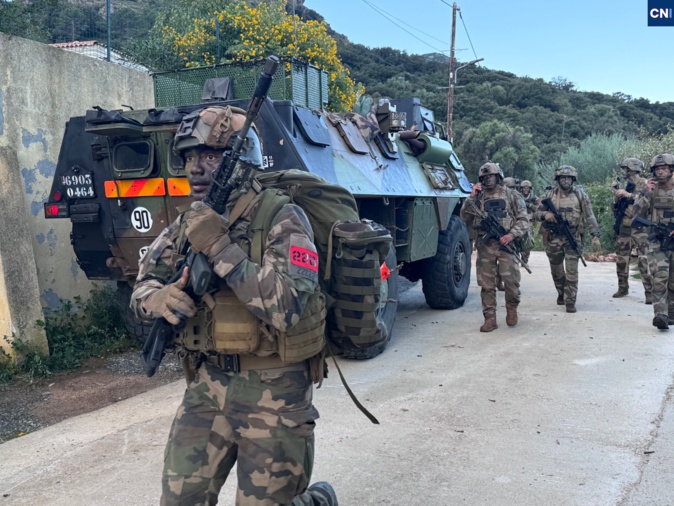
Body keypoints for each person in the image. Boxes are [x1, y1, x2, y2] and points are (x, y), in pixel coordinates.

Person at [130, 105, 337, 506]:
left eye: (209, 156)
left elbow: (286, 307)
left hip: (274, 389)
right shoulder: (190, 221)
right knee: (179, 500)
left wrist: (219, 247)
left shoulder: (282, 216)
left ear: (242, 160)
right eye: (189, 157)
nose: (195, 169)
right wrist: (155, 299)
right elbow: (145, 280)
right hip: (208, 384)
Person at [461, 162, 529, 332]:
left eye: (490, 176)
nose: (487, 180)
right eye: (484, 178)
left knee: (511, 282)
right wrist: (471, 197)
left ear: (498, 177)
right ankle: (490, 318)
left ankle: (512, 309)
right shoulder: (477, 198)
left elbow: (523, 220)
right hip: (486, 247)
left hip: (507, 245)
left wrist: (511, 235)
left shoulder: (511, 195)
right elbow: (464, 217)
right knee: (486, 284)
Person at [535, 165, 601, 313]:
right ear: (558, 179)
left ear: (573, 179)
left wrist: (595, 235)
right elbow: (535, 214)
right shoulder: (549, 195)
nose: (566, 180)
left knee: (572, 270)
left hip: (573, 236)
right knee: (556, 269)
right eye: (563, 177)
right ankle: (561, 292)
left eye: (569, 178)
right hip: (553, 238)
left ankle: (570, 300)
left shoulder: (580, 195)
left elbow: (590, 216)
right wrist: (545, 215)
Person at [632, 153, 674, 330]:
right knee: (660, 276)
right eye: (657, 169)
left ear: (671, 169)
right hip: (657, 240)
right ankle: (660, 314)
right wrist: (647, 195)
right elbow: (636, 215)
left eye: (664, 168)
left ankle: (671, 313)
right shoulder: (648, 189)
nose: (661, 172)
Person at [611, 158, 652, 302]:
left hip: (640, 226)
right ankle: (623, 288)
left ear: (634, 169)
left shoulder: (646, 184)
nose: (625, 172)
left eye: (627, 169)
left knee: (644, 259)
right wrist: (616, 194)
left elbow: (649, 200)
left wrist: (630, 195)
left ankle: (650, 292)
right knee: (622, 258)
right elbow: (616, 207)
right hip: (624, 225)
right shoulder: (625, 185)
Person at [518, 180, 538, 266]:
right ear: (521, 189)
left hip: (529, 223)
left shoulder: (534, 198)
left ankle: (524, 261)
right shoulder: (517, 197)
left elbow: (539, 209)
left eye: (527, 188)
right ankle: (516, 258)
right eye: (524, 188)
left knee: (528, 242)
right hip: (518, 222)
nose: (526, 190)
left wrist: (530, 205)